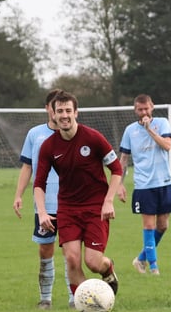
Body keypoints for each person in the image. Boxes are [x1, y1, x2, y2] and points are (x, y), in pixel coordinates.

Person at [33, 90, 122, 298]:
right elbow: (39, 183)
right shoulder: (48, 146)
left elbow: (117, 169)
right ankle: (89, 302)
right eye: (60, 111)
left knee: (93, 262)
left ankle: (108, 269)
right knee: (72, 260)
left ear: (76, 113)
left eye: (68, 110)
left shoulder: (93, 138)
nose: (64, 115)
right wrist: (43, 212)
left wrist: (108, 201)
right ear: (53, 114)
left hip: (95, 208)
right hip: (68, 209)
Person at [13, 89, 74, 309]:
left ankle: (73, 297)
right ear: (49, 108)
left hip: (70, 203)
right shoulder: (35, 134)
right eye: (54, 107)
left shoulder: (74, 134)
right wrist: (18, 195)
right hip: (44, 204)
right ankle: (45, 298)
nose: (59, 112)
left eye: (64, 108)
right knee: (45, 250)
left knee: (71, 252)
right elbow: (27, 166)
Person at [118, 94, 171, 275]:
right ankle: (154, 268)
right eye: (140, 109)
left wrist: (150, 130)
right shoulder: (130, 131)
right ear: (135, 110)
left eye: (146, 108)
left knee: (163, 226)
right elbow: (124, 159)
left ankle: (141, 259)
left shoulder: (162, 123)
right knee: (149, 226)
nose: (143, 112)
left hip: (164, 183)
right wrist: (119, 183)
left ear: (152, 107)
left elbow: (167, 145)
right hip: (143, 186)